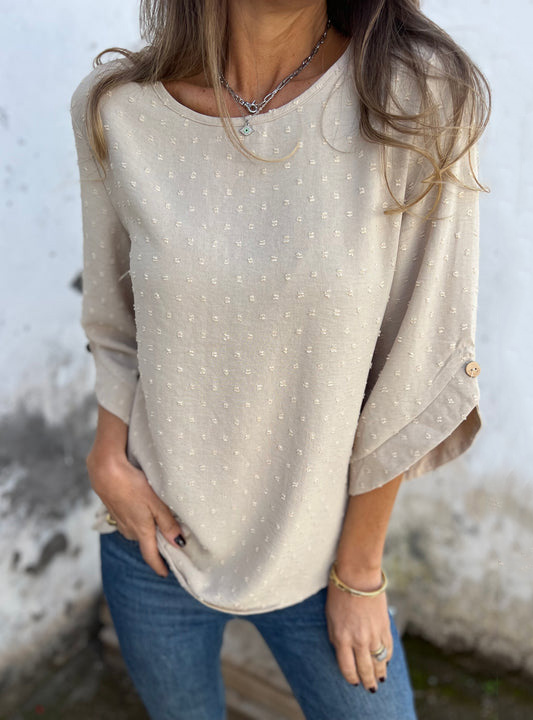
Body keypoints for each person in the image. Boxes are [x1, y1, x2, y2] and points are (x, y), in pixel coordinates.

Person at [70, 1, 490, 718]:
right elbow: (115, 321)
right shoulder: (118, 109)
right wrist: (109, 456)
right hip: (152, 543)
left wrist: (359, 571)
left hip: (324, 558)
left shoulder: (416, 102)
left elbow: (417, 363)